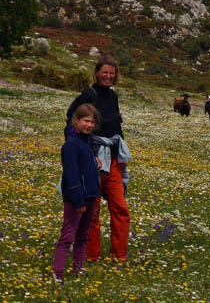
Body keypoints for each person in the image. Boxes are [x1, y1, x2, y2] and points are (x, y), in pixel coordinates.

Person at [71, 54, 131, 262]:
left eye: (111, 73)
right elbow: (73, 124)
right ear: (96, 73)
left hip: (113, 158)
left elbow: (117, 126)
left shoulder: (113, 96)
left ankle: (119, 256)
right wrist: (86, 154)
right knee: (92, 209)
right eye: (104, 72)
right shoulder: (88, 94)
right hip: (93, 158)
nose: (108, 76)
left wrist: (122, 157)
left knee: (120, 207)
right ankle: (91, 255)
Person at [53, 104, 101, 283]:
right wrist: (78, 201)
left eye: (92, 122)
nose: (88, 125)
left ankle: (77, 268)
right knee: (68, 236)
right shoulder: (71, 145)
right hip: (77, 199)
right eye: (85, 121)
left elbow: (85, 170)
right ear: (75, 120)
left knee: (83, 235)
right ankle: (57, 273)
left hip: (90, 195)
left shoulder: (86, 142)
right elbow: (72, 176)